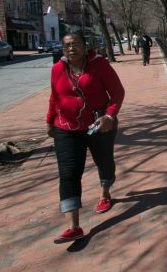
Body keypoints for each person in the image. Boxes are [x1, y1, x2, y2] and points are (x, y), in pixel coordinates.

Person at [46, 31, 125, 244]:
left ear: (85, 46)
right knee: (69, 173)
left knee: (104, 161)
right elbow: (54, 96)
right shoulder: (56, 69)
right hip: (66, 127)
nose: (72, 48)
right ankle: (73, 226)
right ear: (63, 49)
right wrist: (49, 121)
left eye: (76, 44)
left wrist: (110, 115)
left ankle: (105, 192)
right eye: (67, 45)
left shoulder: (99, 65)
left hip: (98, 125)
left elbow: (117, 92)